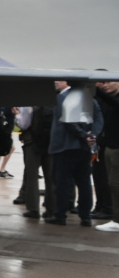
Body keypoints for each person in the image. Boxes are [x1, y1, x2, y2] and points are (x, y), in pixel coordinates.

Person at [47, 81, 103, 227]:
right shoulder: (89, 98)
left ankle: (60, 215)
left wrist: (84, 135)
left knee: (62, 183)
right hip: (84, 149)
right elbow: (98, 119)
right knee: (84, 183)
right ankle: (85, 216)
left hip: (65, 147)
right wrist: (93, 135)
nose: (56, 82)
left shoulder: (61, 98)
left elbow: (68, 121)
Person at [96, 82, 119, 222]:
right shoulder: (110, 100)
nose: (106, 85)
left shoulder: (113, 100)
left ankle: (116, 218)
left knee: (115, 183)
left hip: (116, 148)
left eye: (109, 81)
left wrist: (97, 90)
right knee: (111, 182)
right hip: (109, 147)